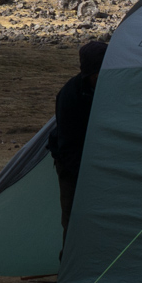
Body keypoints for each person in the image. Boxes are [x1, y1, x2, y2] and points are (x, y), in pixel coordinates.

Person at [50, 39, 106, 238]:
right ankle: (69, 265)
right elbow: (68, 145)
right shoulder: (70, 96)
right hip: (72, 166)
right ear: (89, 74)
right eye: (99, 75)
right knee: (75, 219)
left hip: (103, 163)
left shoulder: (111, 89)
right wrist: (84, 176)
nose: (103, 79)